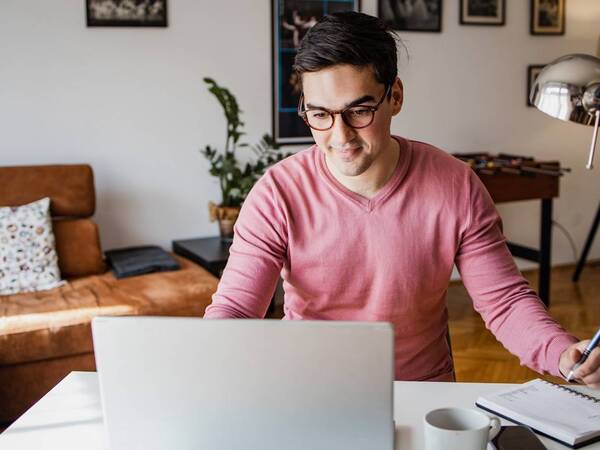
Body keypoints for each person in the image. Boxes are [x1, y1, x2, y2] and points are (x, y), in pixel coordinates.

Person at [204, 11, 600, 388]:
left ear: (394, 96)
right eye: (319, 114)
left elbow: (505, 302)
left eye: (359, 111)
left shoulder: (455, 184)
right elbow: (237, 310)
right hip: (310, 389)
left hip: (423, 390)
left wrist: (563, 354)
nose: (340, 137)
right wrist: (207, 357)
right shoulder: (277, 193)